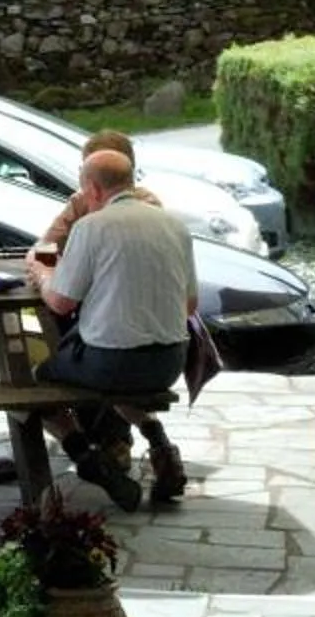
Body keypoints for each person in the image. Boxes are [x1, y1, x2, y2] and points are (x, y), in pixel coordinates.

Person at [26, 146, 197, 510]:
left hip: (109, 363)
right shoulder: (175, 226)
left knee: (35, 385)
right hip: (169, 363)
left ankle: (88, 460)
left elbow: (60, 303)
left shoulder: (92, 227)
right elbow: (191, 305)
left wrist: (43, 275)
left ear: (92, 189)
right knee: (119, 376)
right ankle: (161, 447)